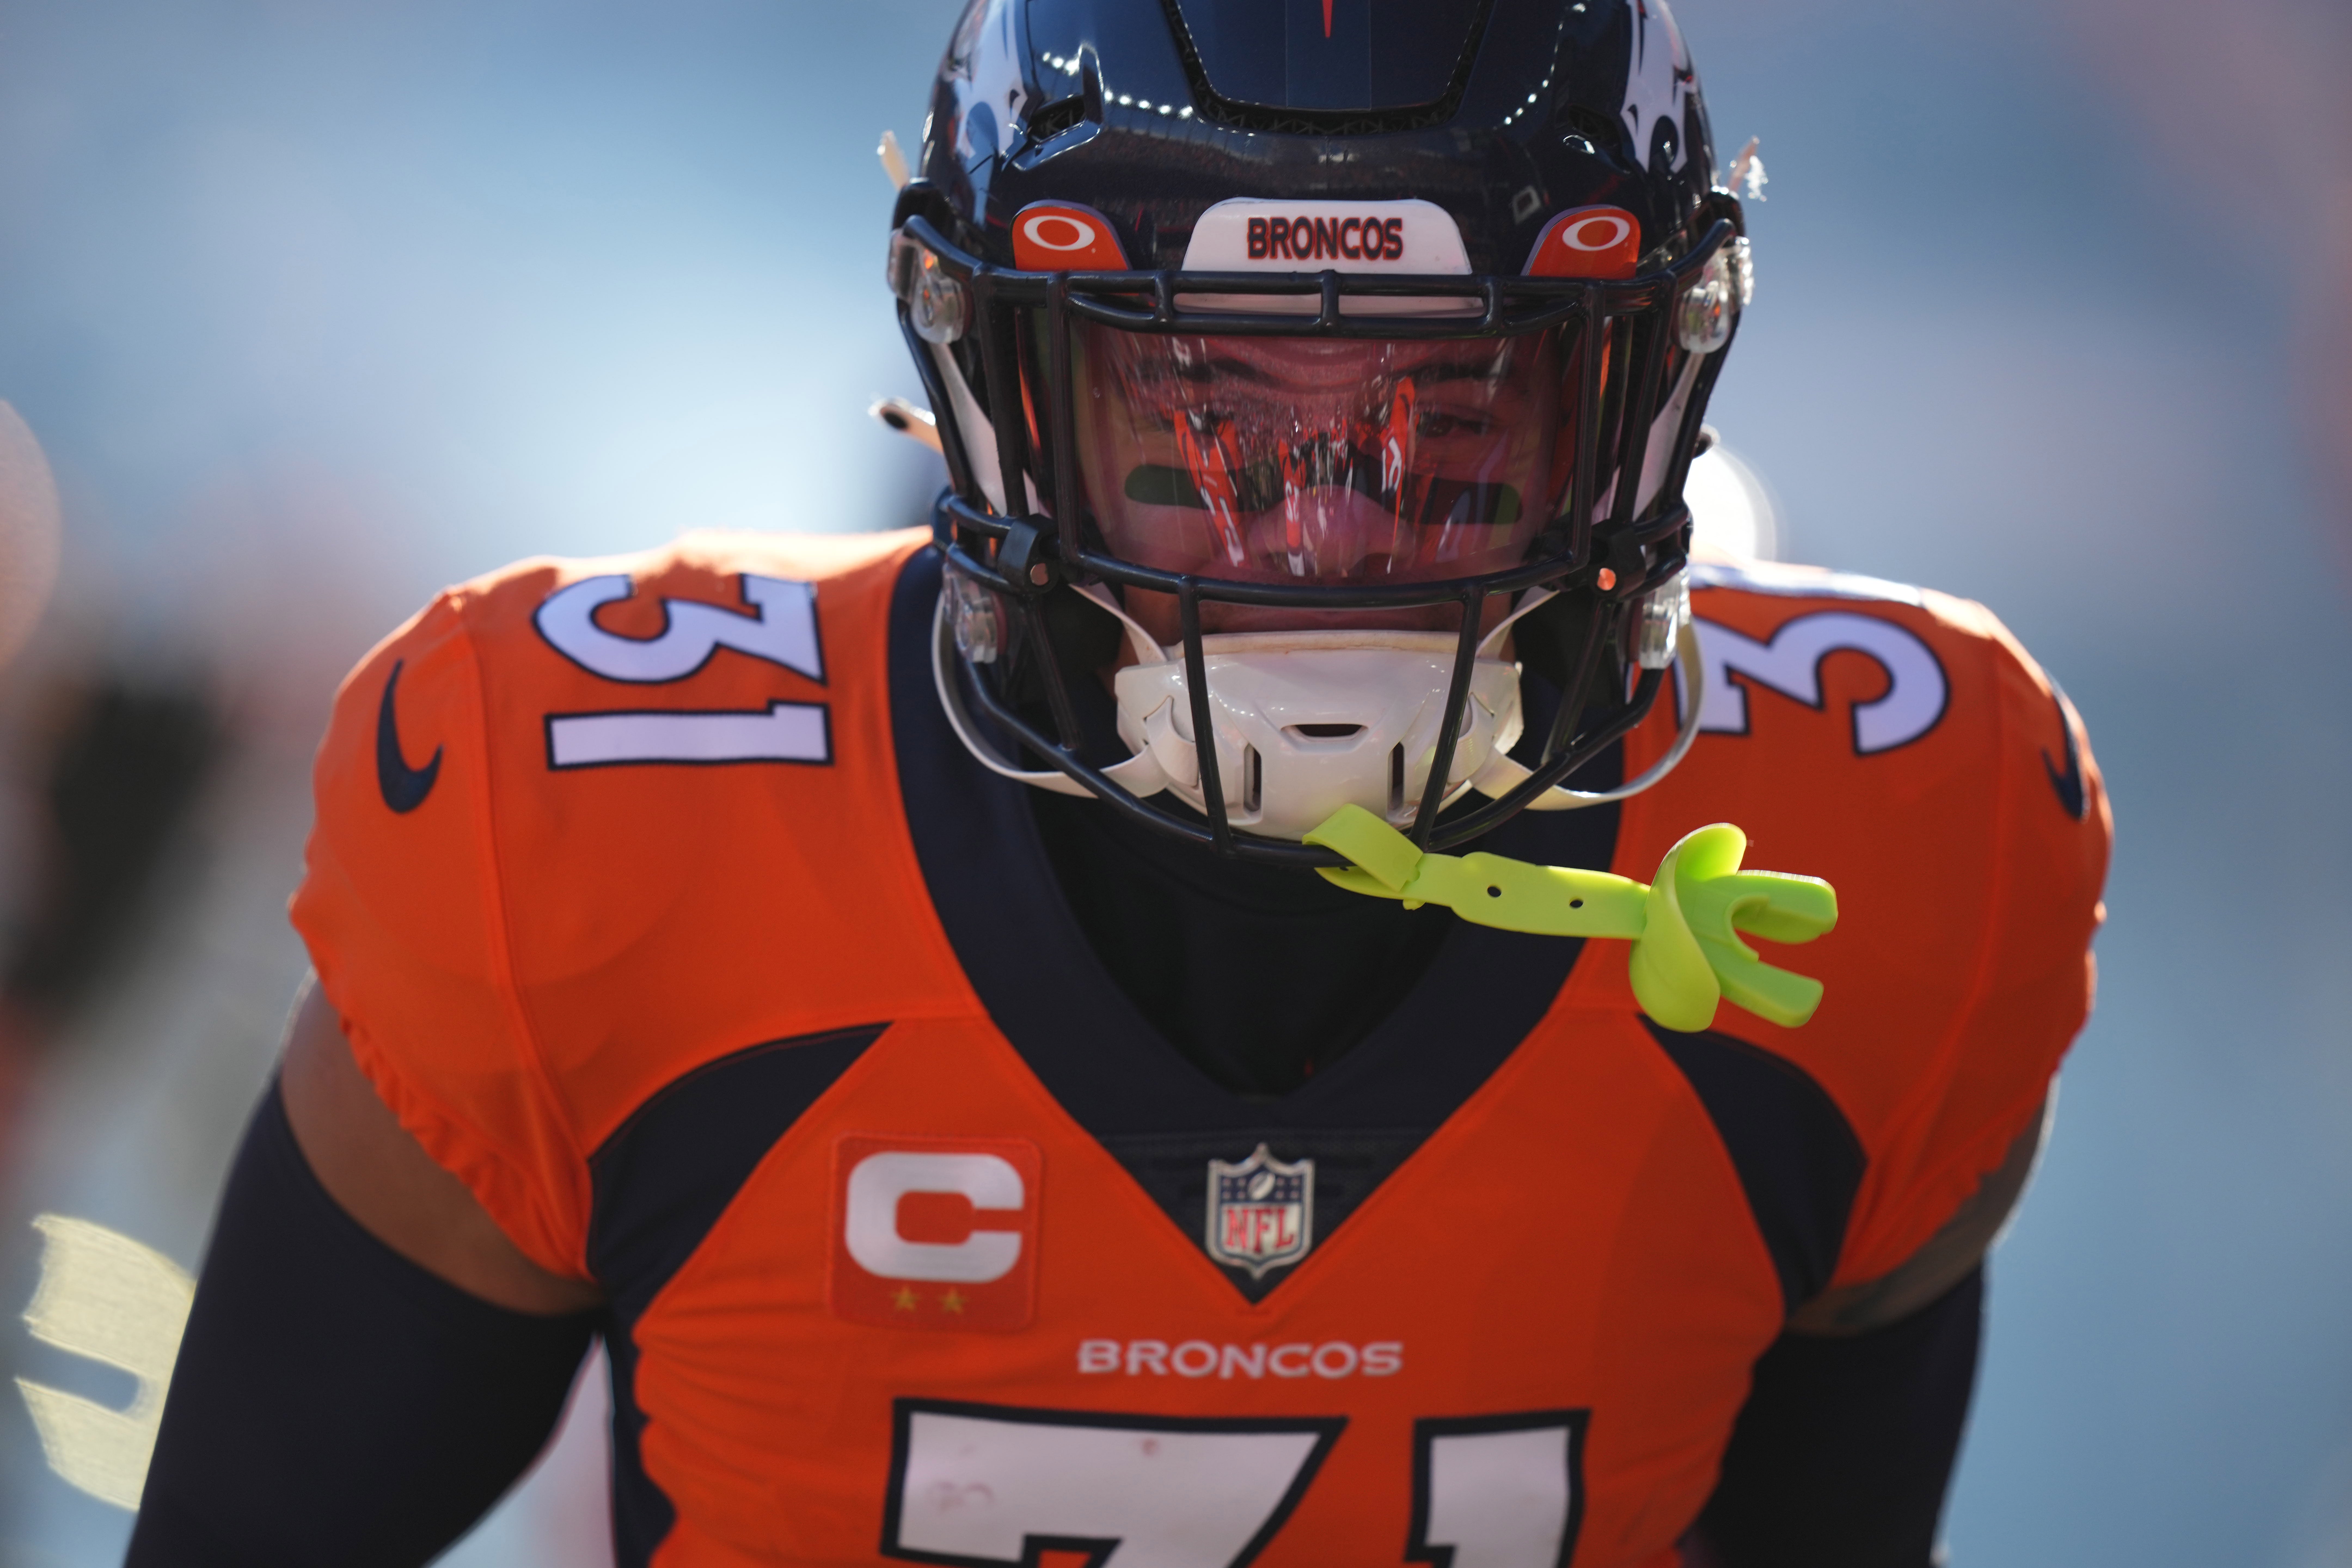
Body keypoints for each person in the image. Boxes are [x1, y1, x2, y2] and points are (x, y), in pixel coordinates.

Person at [128, 0, 2111, 1563]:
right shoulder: (583, 825)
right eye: (1202, 423)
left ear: (1642, 401)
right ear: (996, 395)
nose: (1325, 545)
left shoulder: (1897, 855)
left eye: (1450, 420)